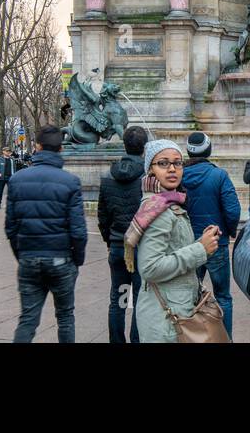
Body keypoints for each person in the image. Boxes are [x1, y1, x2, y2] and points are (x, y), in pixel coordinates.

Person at [126, 139, 219, 344]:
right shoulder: (158, 210)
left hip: (172, 312)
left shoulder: (167, 202)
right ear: (150, 169)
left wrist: (200, 242)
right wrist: (199, 249)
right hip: (165, 320)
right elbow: (150, 267)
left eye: (177, 163)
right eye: (163, 163)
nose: (172, 169)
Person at [4, 125, 87, 343]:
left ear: (37, 147)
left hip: (29, 258)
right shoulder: (70, 182)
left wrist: (22, 254)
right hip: (61, 258)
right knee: (66, 317)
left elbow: (10, 227)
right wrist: (77, 260)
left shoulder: (17, 180)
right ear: (60, 149)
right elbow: (78, 230)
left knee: (28, 319)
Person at [180, 131, 241, 337]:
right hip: (216, 241)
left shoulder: (179, 176)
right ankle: (226, 338)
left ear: (188, 152)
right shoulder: (219, 175)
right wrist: (230, 232)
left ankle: (191, 336)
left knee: (189, 295)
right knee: (223, 295)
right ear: (209, 150)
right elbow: (232, 210)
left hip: (189, 245)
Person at [97, 125, 147, 343]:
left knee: (118, 299)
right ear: (144, 148)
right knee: (139, 298)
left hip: (118, 246)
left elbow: (103, 215)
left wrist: (109, 239)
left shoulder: (109, 175)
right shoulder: (147, 177)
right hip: (141, 247)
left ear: (124, 145)